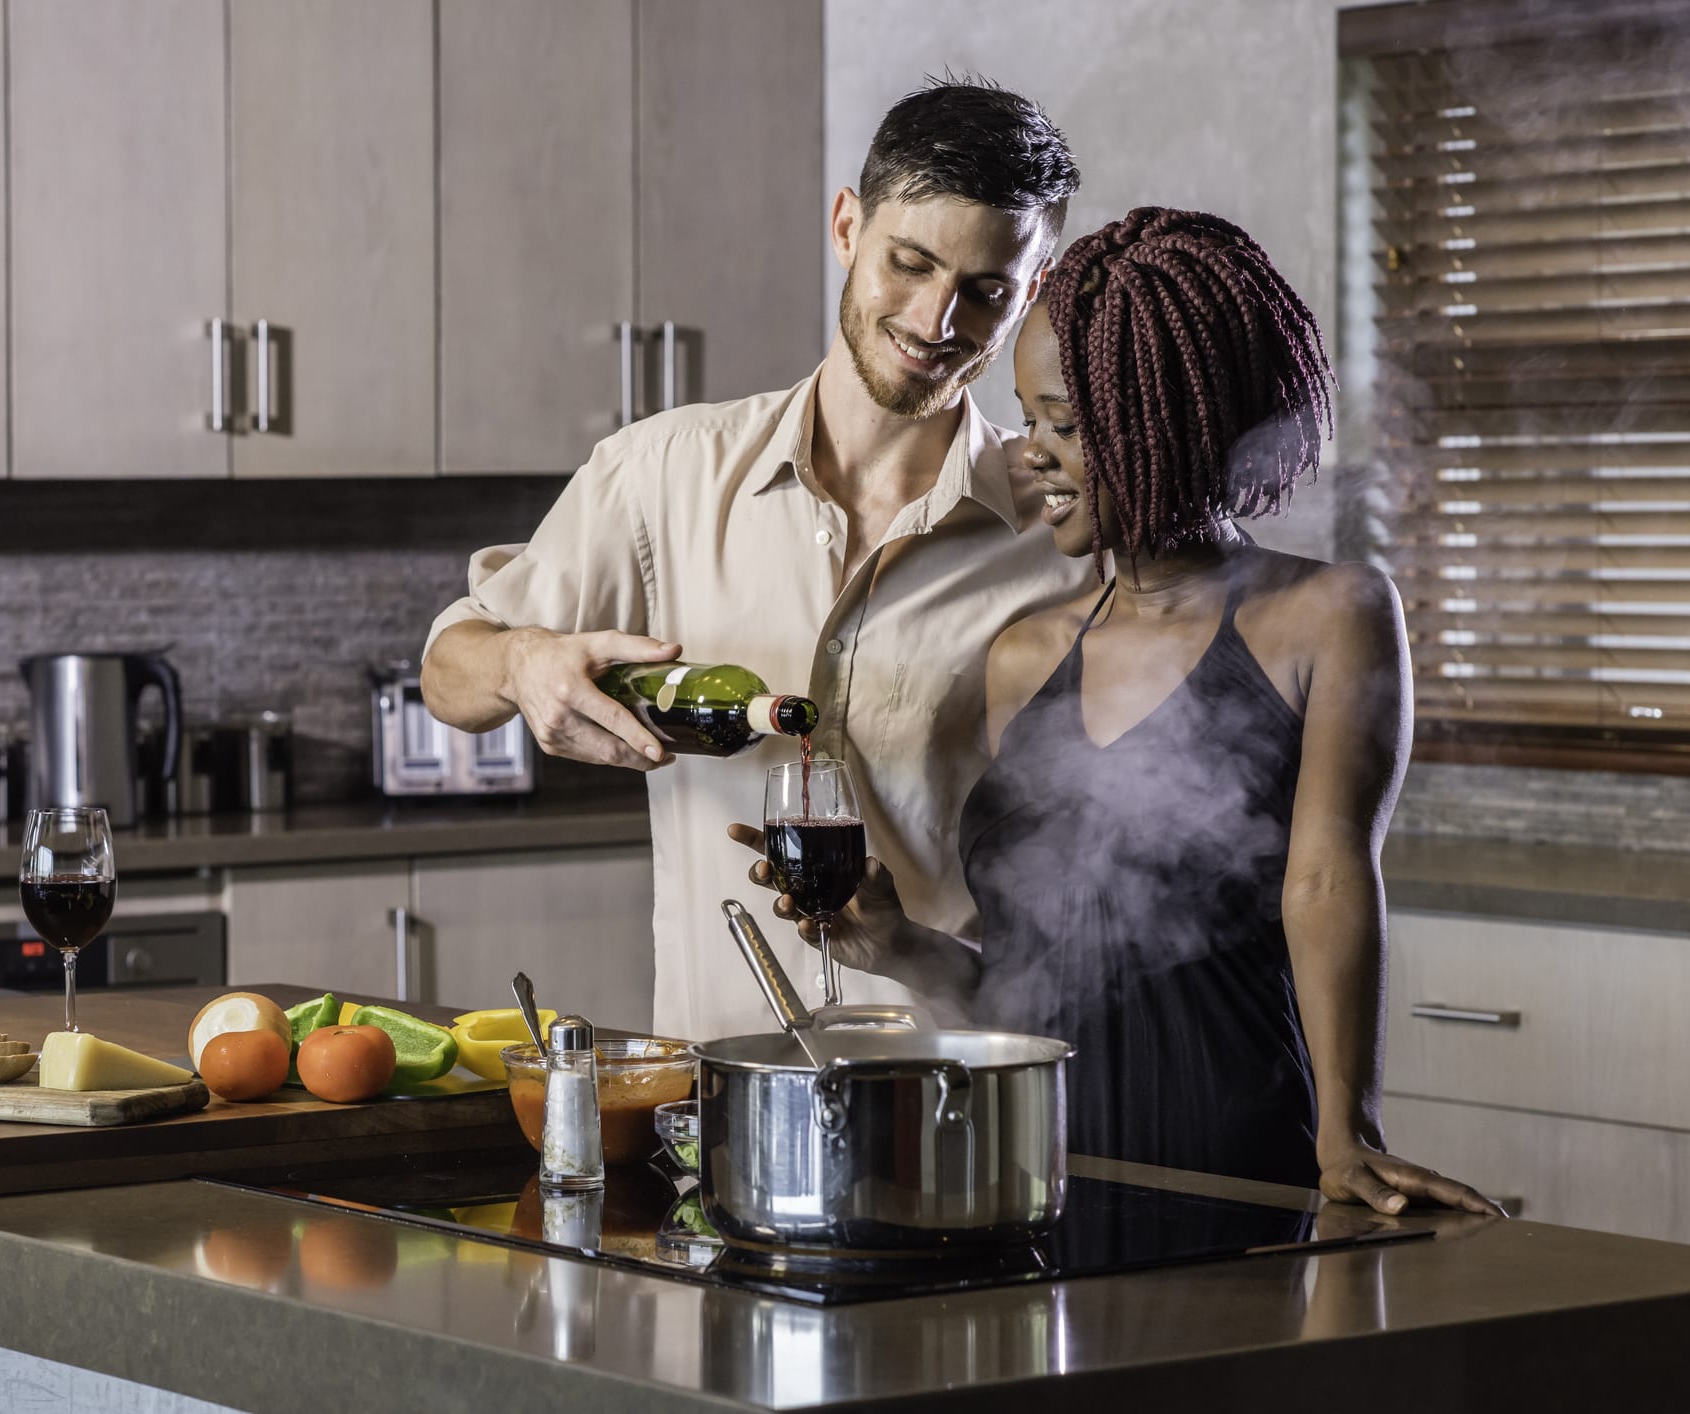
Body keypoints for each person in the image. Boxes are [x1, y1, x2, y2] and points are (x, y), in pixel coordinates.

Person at [735, 207, 1499, 1214]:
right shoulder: (1023, 653)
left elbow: (1323, 881)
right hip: (1026, 1165)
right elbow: (1028, 983)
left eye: (1064, 425)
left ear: (1168, 428)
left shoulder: (1326, 616)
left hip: (1232, 1159)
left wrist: (1345, 1130)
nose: (1031, 454)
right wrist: (899, 945)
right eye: (1027, 418)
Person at [421, 81, 1092, 1041]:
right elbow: (449, 671)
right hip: (713, 1101)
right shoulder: (661, 472)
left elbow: (1085, 909)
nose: (938, 322)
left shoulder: (1062, 531)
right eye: (909, 263)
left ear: (1031, 288)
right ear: (846, 227)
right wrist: (521, 660)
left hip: (954, 1102)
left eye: (985, 291)